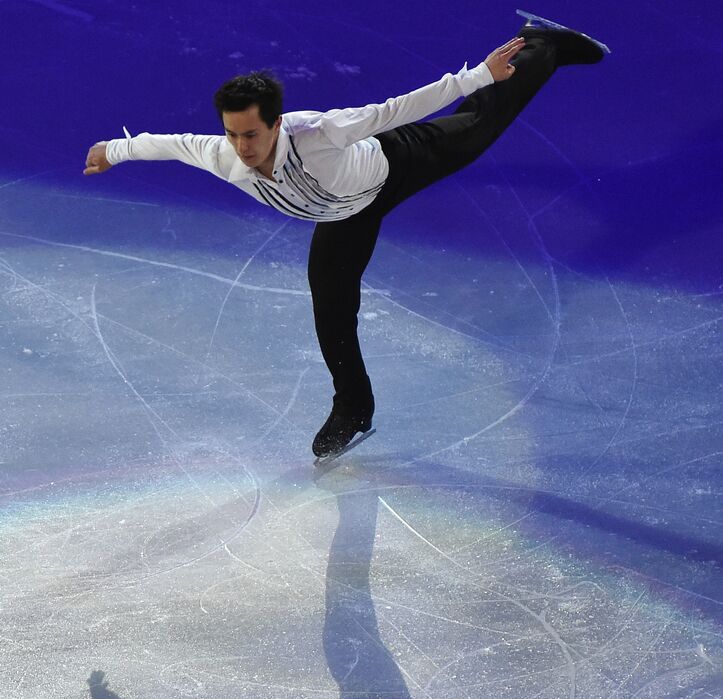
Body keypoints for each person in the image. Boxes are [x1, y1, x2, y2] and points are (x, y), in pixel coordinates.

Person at [84, 12, 607, 458]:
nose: (241, 146)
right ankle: (353, 409)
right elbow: (169, 143)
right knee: (331, 310)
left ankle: (544, 45)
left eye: (252, 134)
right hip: (342, 217)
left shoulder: (320, 132)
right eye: (232, 134)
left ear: (276, 124)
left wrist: (476, 77)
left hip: (396, 163)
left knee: (477, 129)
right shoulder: (224, 155)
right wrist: (112, 149)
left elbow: (395, 109)